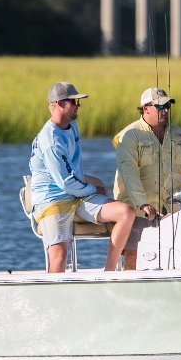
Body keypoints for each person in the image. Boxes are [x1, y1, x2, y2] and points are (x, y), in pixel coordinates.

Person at [29, 82, 135, 273]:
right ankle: (54, 297)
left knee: (126, 212)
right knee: (60, 258)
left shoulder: (72, 125)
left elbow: (73, 175)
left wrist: (90, 190)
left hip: (77, 197)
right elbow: (66, 182)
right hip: (52, 200)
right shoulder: (50, 141)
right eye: (75, 101)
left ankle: (109, 273)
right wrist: (93, 189)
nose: (79, 105)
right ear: (60, 103)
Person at [113, 87, 181, 270]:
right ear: (145, 108)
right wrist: (142, 203)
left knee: (176, 257)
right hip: (137, 210)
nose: (165, 110)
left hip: (172, 211)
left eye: (167, 105)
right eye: (160, 106)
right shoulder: (130, 135)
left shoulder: (179, 134)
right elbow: (129, 173)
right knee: (133, 257)